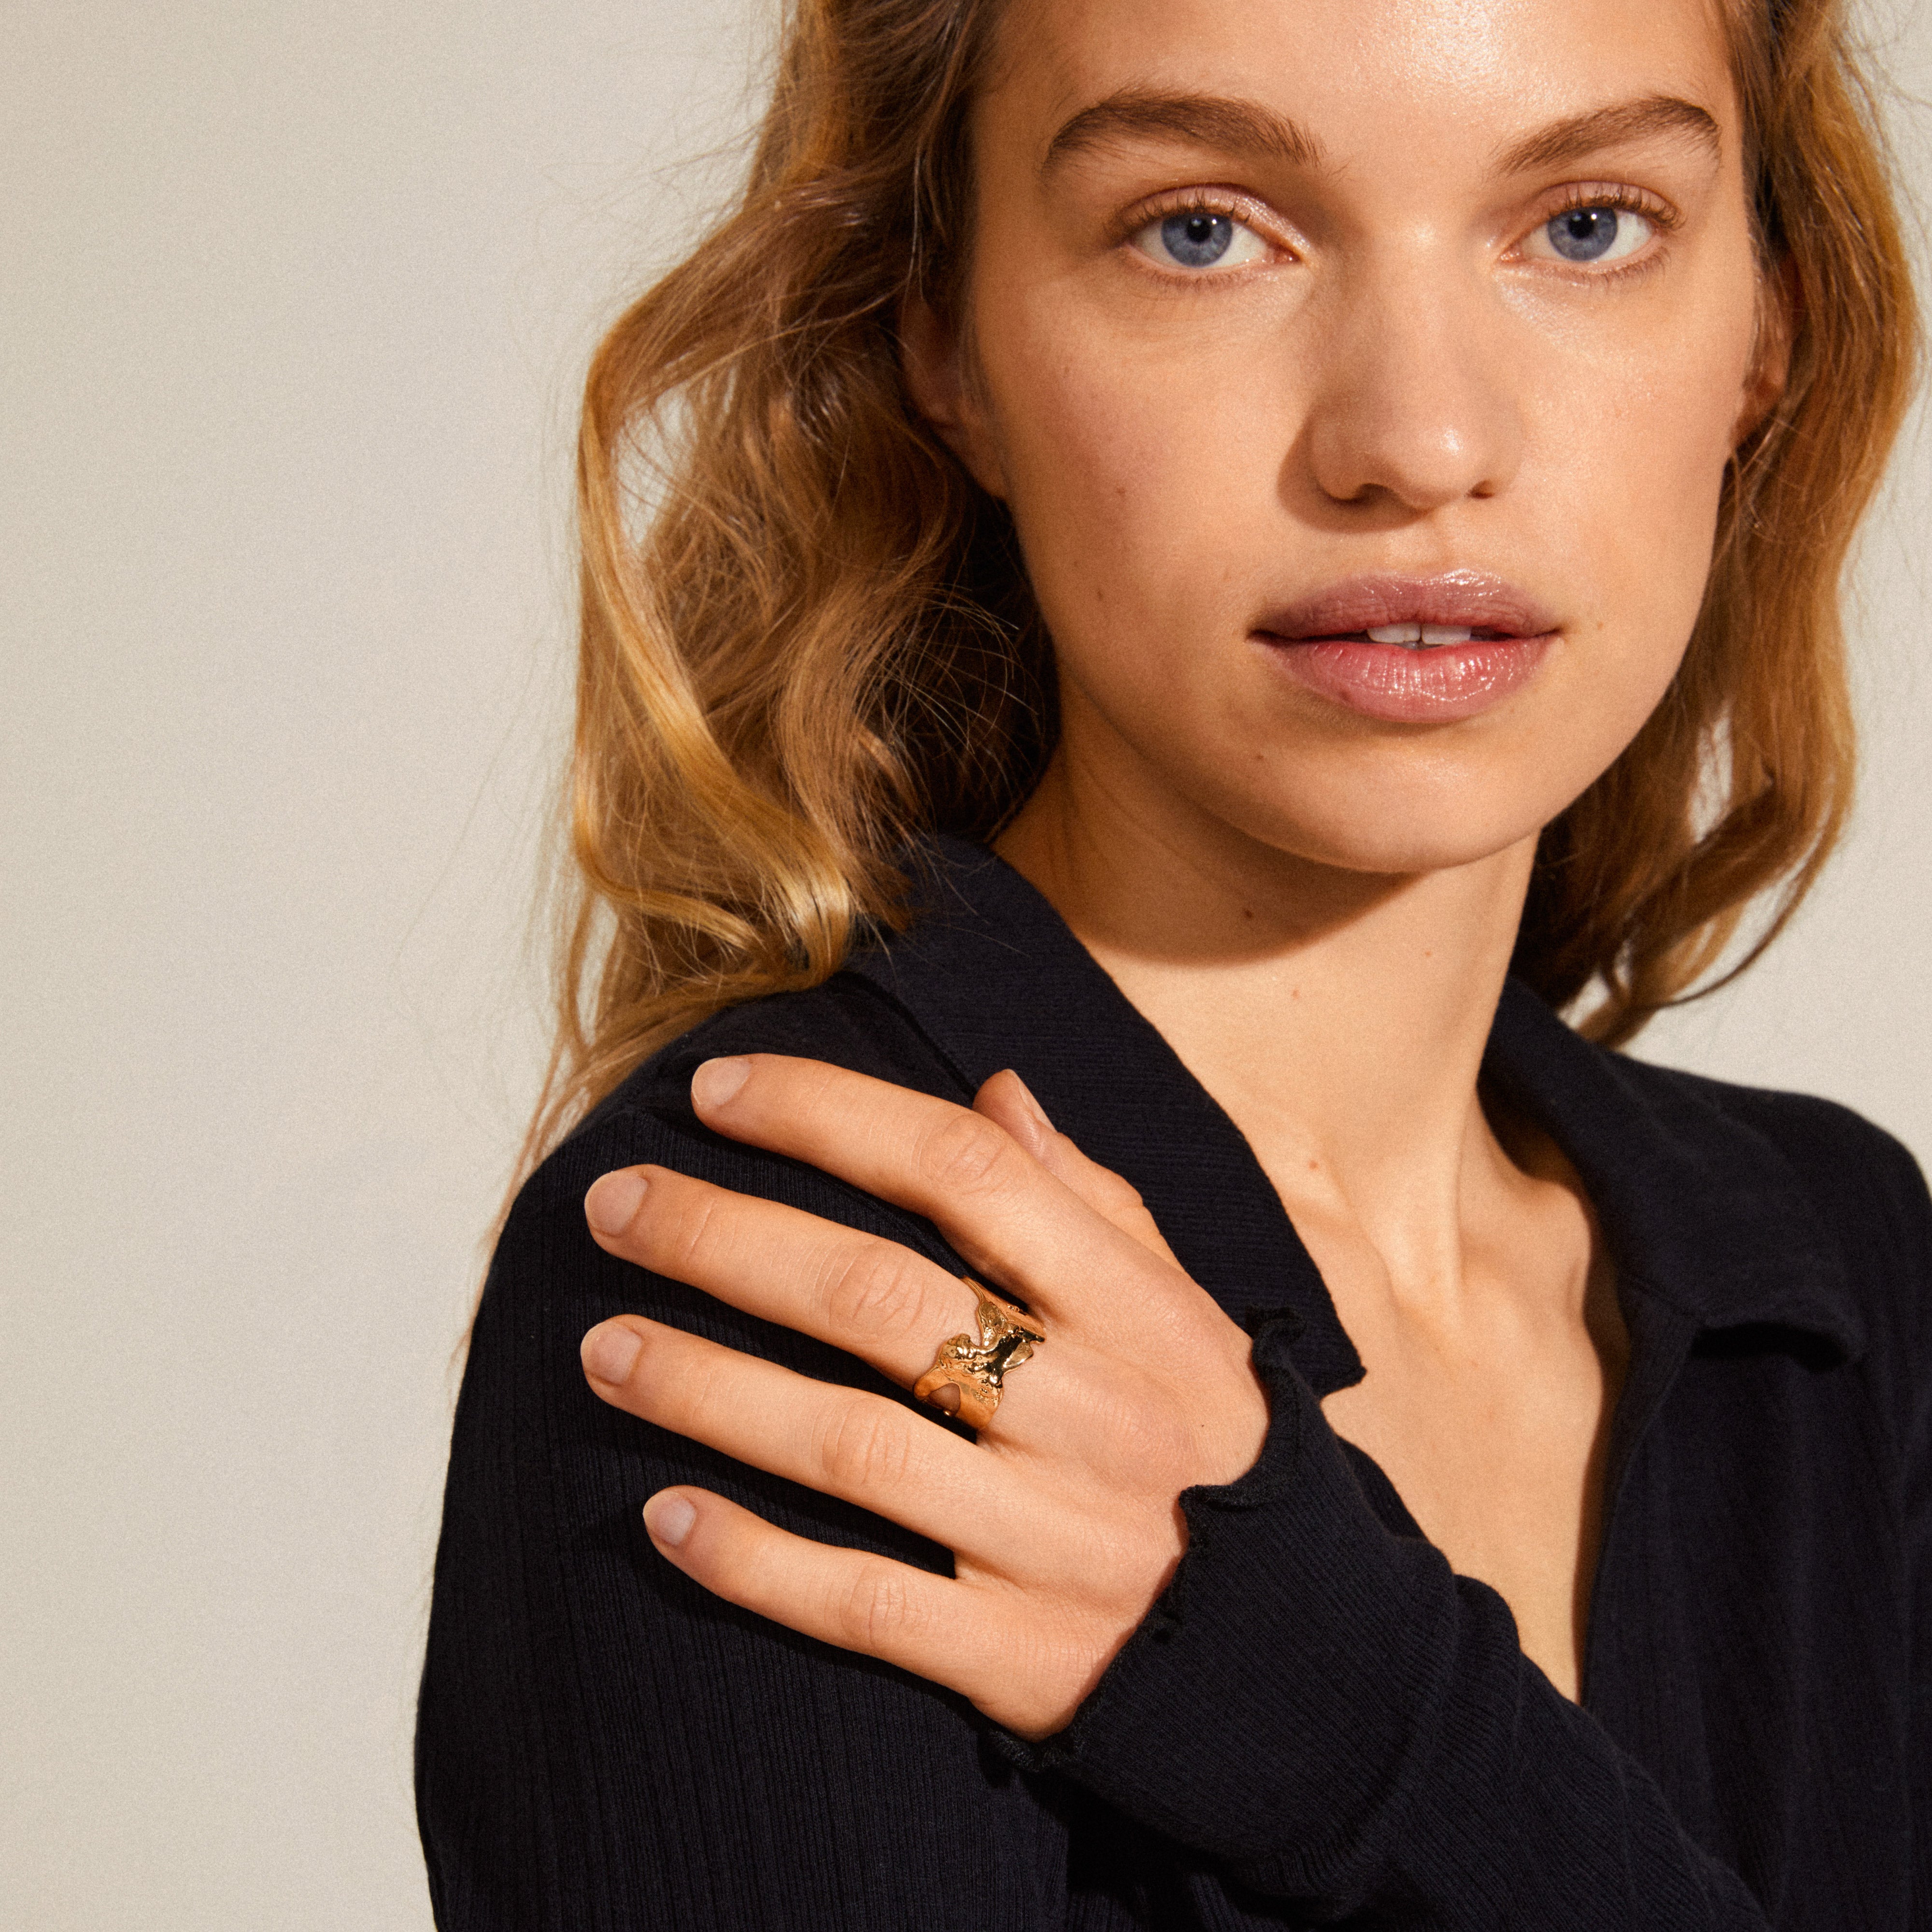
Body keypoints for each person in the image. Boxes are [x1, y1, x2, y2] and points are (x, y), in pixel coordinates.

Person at [415, 0, 1925, 1921]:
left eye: (1587, 223)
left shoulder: (1835, 1272)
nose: (1418, 443)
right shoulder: (826, 1285)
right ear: (942, 341)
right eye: (1200, 228)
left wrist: (1336, 1699)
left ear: (1768, 330)